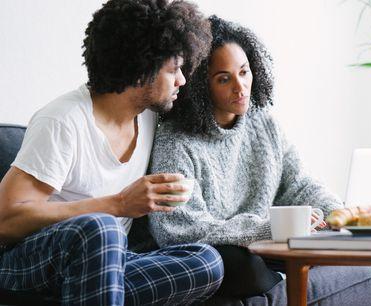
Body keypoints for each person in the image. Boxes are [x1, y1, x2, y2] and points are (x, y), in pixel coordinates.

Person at [0, 1, 224, 305]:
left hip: (109, 259)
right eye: (173, 70)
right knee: (101, 226)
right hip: (29, 260)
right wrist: (118, 204)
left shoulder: (148, 116)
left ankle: (89, 289)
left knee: (206, 261)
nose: (182, 80)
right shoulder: (63, 121)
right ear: (140, 70)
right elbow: (6, 220)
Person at [148, 15, 371, 303]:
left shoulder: (263, 124)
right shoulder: (176, 140)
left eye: (244, 72)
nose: (240, 87)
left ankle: (288, 275)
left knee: (356, 247)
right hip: (231, 255)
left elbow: (299, 184)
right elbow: (178, 230)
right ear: (199, 86)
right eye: (224, 79)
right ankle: (284, 279)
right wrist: (268, 228)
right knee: (242, 265)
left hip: (269, 248)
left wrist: (337, 214)